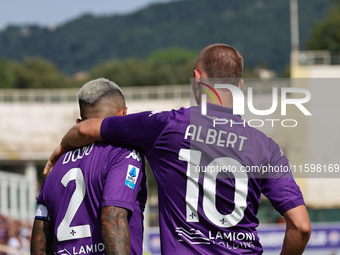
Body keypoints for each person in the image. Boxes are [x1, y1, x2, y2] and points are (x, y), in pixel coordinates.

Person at [44, 44, 311, 254]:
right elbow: (300, 227)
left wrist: (62, 147)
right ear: (239, 86)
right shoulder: (266, 147)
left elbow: (85, 129)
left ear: (196, 79)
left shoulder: (167, 126)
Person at [32, 78, 147, 255]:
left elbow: (40, 233)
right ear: (124, 115)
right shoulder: (123, 154)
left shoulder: (56, 168)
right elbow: (113, 219)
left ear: (79, 124)